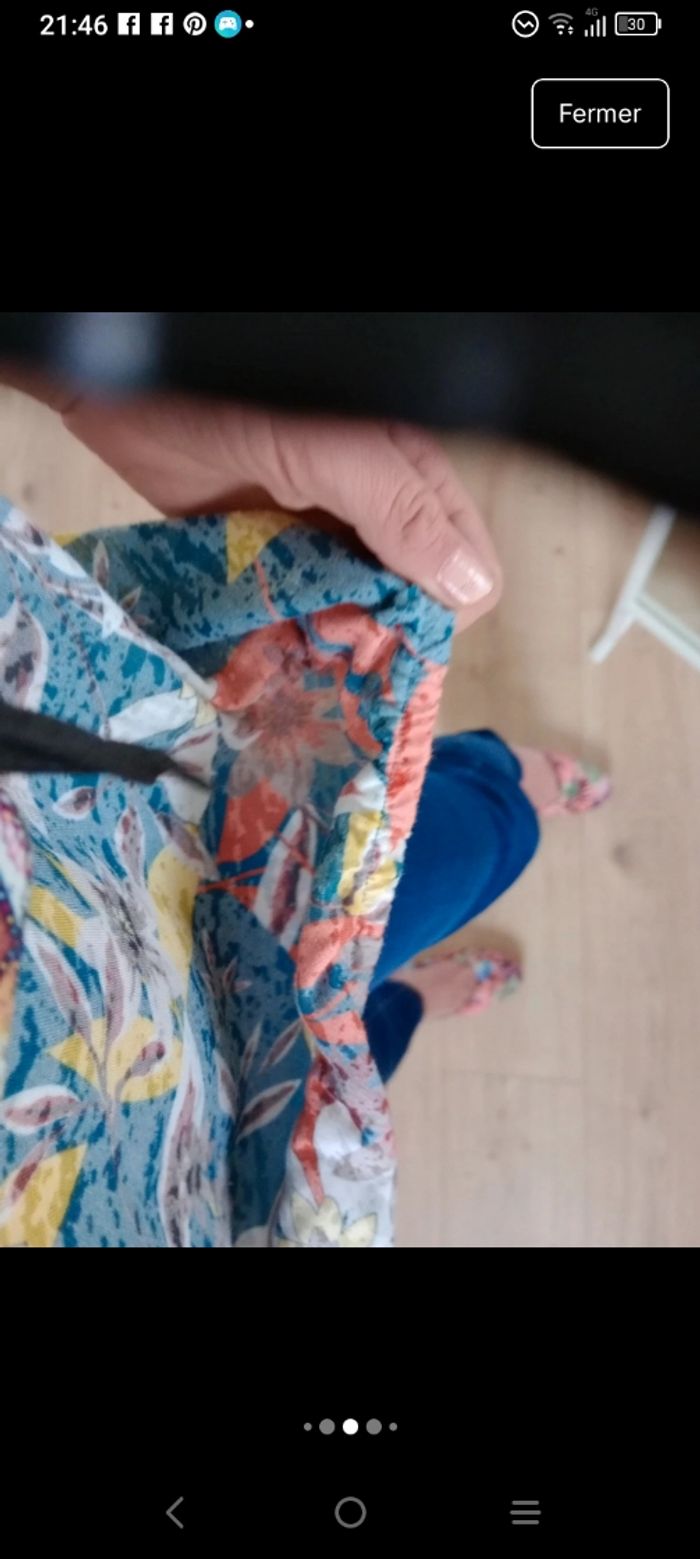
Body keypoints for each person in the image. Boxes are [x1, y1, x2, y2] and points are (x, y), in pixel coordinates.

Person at [1, 384, 610, 1084]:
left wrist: (87, 385)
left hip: (131, 815)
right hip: (189, 1081)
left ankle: (500, 776)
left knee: (481, 833)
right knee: (340, 1057)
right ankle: (413, 994)